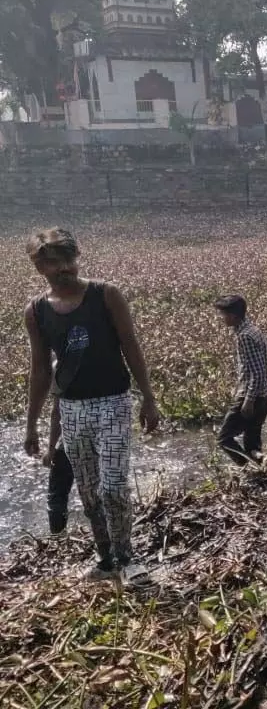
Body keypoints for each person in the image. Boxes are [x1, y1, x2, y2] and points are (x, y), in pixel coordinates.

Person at [22, 228, 160, 582]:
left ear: (76, 256)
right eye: (51, 264)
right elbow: (40, 370)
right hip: (71, 409)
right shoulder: (37, 311)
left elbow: (130, 345)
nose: (61, 268)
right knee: (88, 490)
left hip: (113, 401)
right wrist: (32, 425)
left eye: (66, 260)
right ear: (39, 268)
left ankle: (128, 557)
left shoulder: (105, 294)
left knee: (113, 486)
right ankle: (105, 559)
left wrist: (148, 396)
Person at [214, 295, 267, 466]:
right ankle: (260, 470)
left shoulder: (244, 337)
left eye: (223, 314)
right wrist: (264, 388)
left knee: (224, 438)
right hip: (263, 395)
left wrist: (248, 400)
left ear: (233, 316)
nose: (221, 318)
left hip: (252, 397)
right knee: (252, 442)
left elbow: (257, 371)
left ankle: (247, 467)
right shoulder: (254, 330)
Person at [45, 381, 72, 535]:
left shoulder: (61, 365)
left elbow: (57, 412)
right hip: (100, 439)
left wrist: (50, 450)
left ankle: (57, 536)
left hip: (68, 441)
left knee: (56, 496)